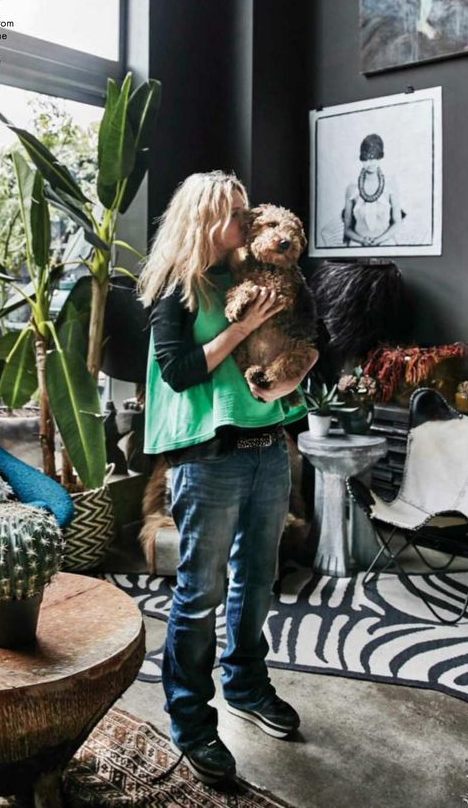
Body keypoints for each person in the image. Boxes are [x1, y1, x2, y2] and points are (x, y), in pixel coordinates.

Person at [138, 171, 318, 787]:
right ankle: (190, 720)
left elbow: (297, 344)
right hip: (208, 459)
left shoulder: (258, 278)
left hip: (269, 449)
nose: (247, 223)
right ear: (205, 220)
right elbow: (182, 371)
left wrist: (294, 376)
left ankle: (245, 683)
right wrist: (241, 327)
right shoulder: (177, 288)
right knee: (199, 594)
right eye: (236, 213)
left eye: (248, 212)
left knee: (259, 579)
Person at [343, 133, 403, 247]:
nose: (370, 163)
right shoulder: (352, 188)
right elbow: (347, 229)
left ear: (380, 157)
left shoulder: (391, 185)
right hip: (357, 245)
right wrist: (362, 240)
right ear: (361, 159)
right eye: (366, 159)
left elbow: (397, 223)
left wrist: (378, 240)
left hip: (385, 244)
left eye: (374, 158)